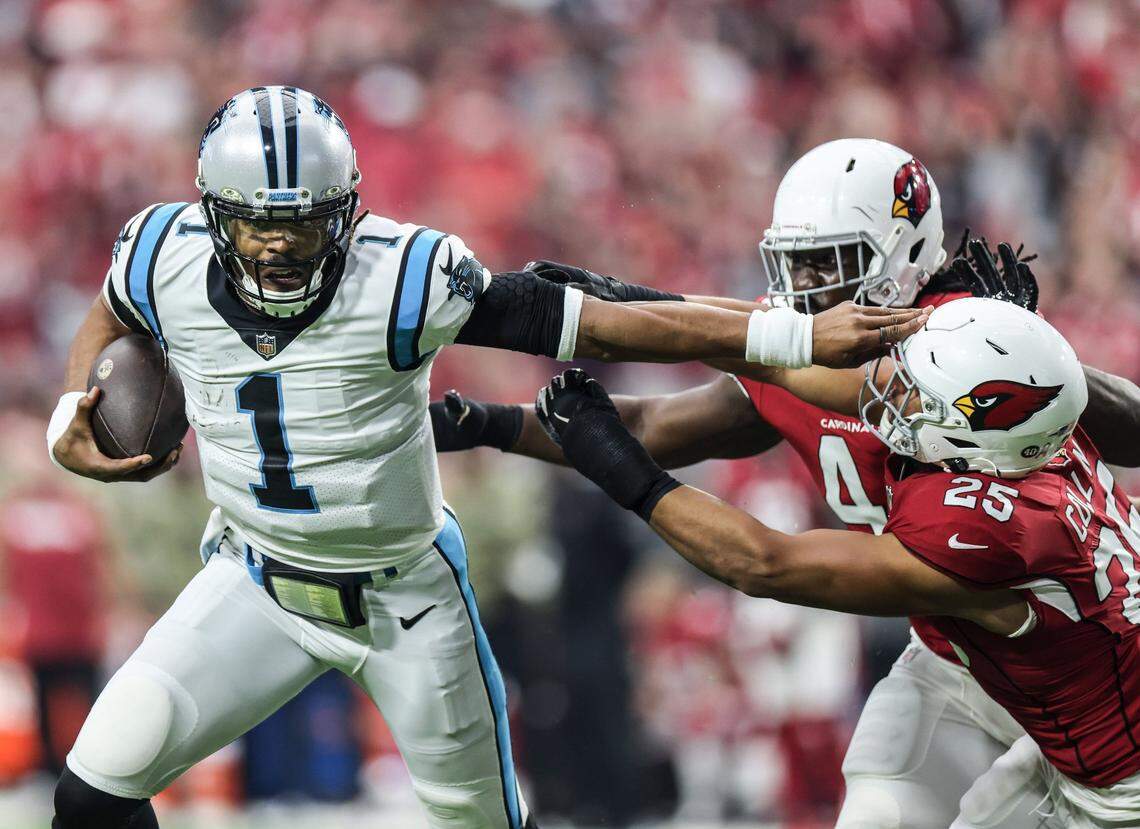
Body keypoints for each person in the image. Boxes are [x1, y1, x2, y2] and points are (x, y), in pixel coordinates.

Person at [43, 88, 923, 829]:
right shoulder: (162, 252)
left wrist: (789, 332)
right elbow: (113, 312)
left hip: (405, 601)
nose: (278, 251)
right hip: (254, 580)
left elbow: (600, 323)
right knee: (90, 791)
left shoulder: (403, 276)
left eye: (304, 229)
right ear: (211, 215)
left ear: (346, 214)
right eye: (257, 227)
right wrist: (72, 407)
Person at [431, 139, 1140, 827]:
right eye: (795, 266)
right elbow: (748, 365)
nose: (803, 290)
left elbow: (767, 554)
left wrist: (615, 358)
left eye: (828, 264)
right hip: (972, 651)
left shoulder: (964, 366)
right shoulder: (951, 363)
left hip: (1089, 725)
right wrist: (494, 420)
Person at [534, 297, 1140, 828]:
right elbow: (782, 367)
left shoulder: (989, 530)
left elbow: (765, 563)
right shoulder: (1045, 443)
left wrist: (624, 469)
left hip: (1119, 795)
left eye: (922, 395)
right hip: (1079, 748)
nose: (895, 399)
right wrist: (626, 304)